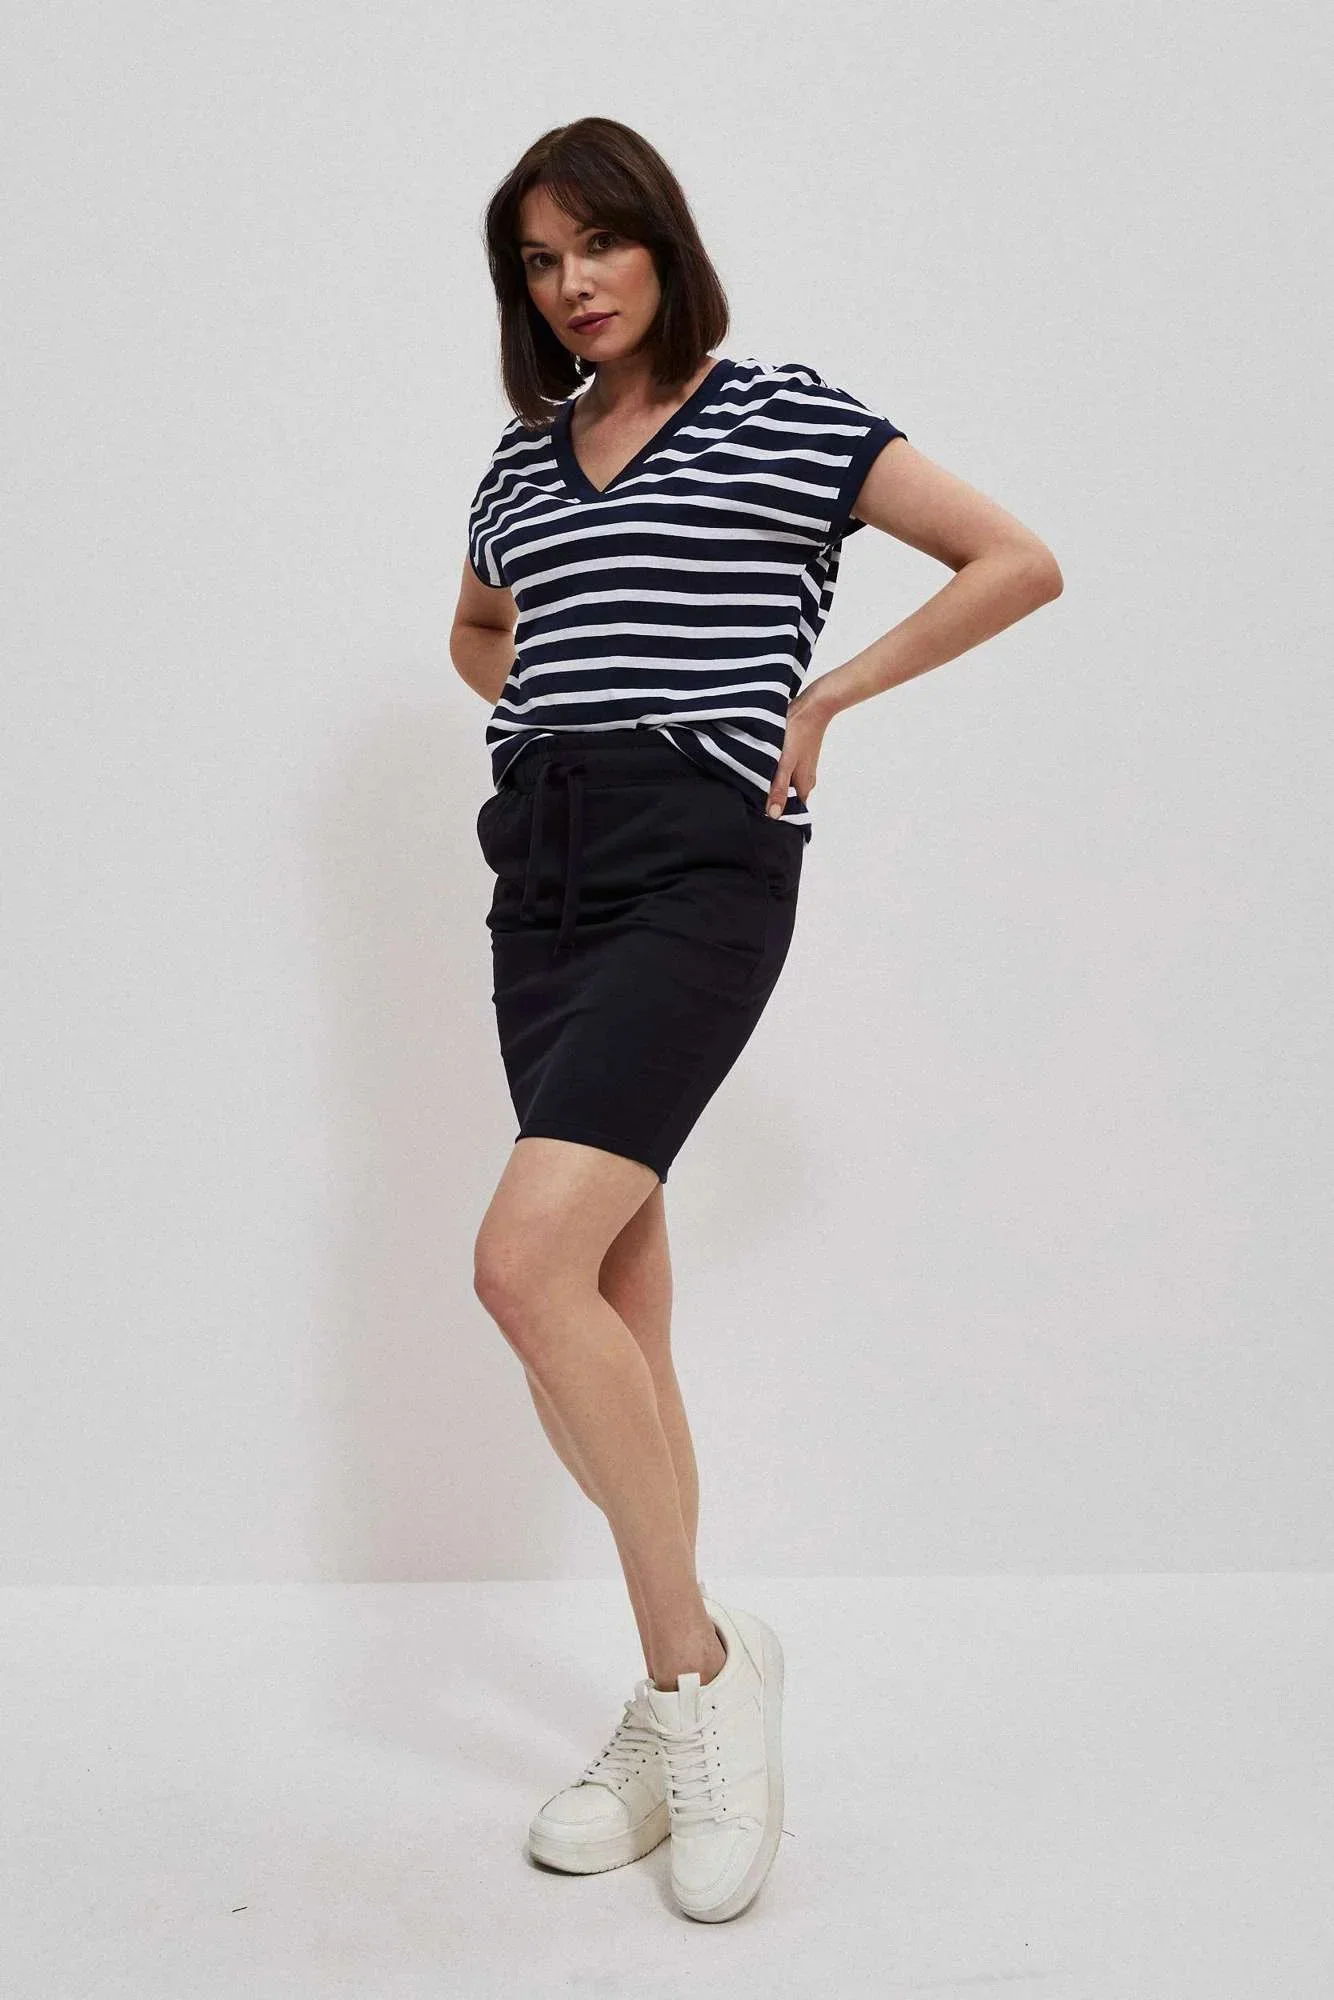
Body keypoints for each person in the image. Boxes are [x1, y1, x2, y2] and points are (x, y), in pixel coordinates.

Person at [449, 117, 1062, 1924]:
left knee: (518, 1268)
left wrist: (816, 697)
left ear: (661, 242)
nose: (574, 284)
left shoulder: (779, 413)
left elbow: (1011, 559)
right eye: (540, 262)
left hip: (697, 866)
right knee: (608, 1302)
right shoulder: (517, 462)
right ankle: (677, 1695)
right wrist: (556, 698)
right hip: (539, 872)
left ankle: (700, 1677)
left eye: (598, 244)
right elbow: (480, 630)